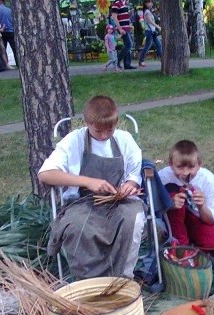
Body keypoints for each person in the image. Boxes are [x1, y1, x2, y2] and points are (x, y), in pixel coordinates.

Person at [38, 96, 146, 280]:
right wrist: (87, 181)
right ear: (86, 122)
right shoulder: (75, 140)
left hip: (119, 202)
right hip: (83, 202)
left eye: (109, 130)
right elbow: (45, 174)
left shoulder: (124, 139)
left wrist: (129, 185)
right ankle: (89, 282)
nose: (104, 135)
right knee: (78, 227)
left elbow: (134, 174)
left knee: (133, 220)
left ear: (116, 123)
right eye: (98, 131)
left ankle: (122, 279)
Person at [158, 140, 214, 253]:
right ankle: (181, 246)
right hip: (173, 221)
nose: (186, 173)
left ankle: (192, 247)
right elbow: (151, 208)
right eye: (180, 167)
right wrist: (169, 204)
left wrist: (201, 206)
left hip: (198, 219)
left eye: (191, 167)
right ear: (171, 164)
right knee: (174, 194)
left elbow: (210, 220)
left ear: (199, 164)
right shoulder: (163, 177)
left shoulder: (207, 179)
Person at [111, 0, 136, 70]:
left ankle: (127, 64)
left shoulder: (125, 3)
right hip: (122, 27)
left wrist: (130, 14)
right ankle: (117, 59)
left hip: (126, 26)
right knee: (129, 44)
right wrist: (120, 29)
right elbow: (114, 17)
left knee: (127, 45)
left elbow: (125, 16)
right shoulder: (116, 4)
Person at [138, 0, 162, 67]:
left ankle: (163, 59)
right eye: (149, 2)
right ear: (146, 3)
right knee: (147, 46)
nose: (151, 4)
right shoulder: (147, 12)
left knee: (159, 45)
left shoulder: (149, 11)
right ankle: (141, 60)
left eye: (151, 2)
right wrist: (158, 27)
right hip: (149, 32)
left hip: (152, 31)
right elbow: (149, 21)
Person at [0, 0, 18, 68]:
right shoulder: (9, 10)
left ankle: (3, 64)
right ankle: (18, 63)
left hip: (1, 32)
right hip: (11, 31)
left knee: (2, 49)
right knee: (14, 48)